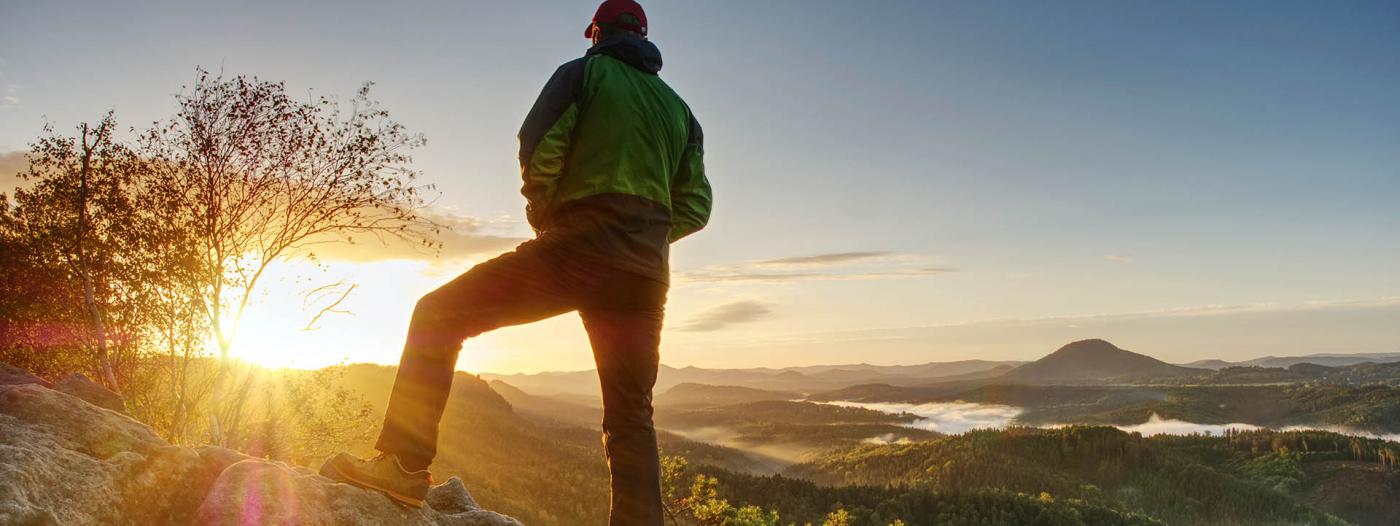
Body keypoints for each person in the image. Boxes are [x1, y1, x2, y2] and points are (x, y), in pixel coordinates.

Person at [323, 1, 711, 523]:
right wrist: (648, 235)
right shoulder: (681, 112)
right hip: (644, 276)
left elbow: (537, 144)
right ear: (644, 39)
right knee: (630, 414)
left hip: (579, 247)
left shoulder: (583, 73)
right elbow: (696, 205)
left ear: (597, 33)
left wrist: (547, 215)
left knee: (437, 315)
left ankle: (403, 467)